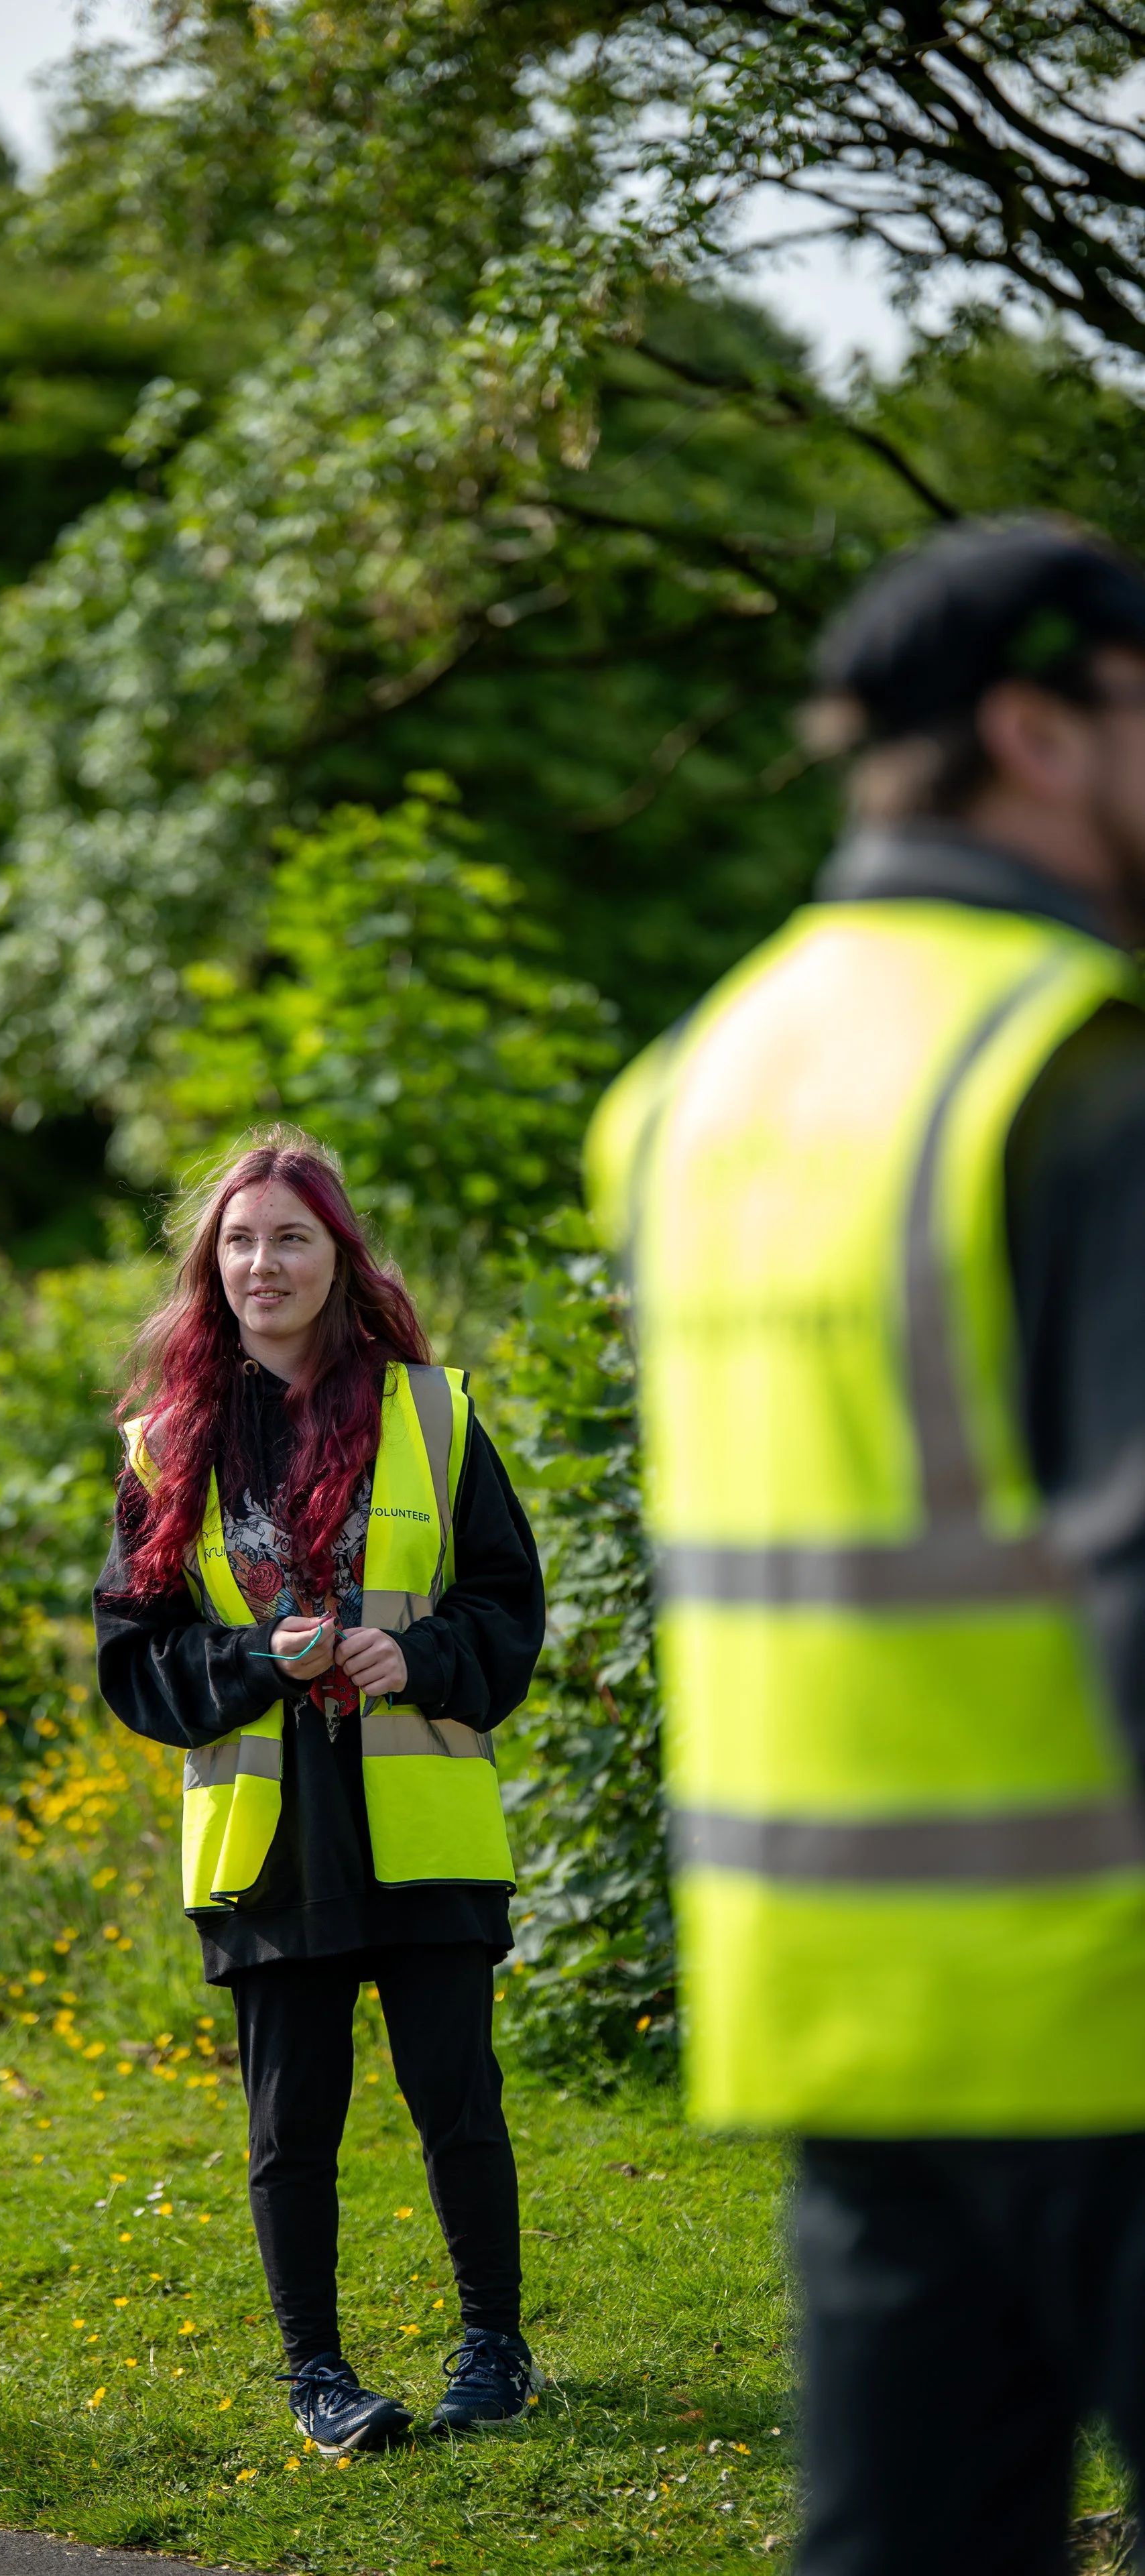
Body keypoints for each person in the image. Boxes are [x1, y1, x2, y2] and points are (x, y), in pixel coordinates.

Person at [587, 516, 1145, 2575]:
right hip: (1110, 2019)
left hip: (845, 2040)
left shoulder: (692, 1087)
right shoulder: (1066, 1065)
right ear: (1037, 729)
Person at [94, 1130, 546, 2455]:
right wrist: (251, 1660)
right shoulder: (162, 1445)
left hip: (424, 1822)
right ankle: (319, 2377)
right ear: (209, 1266)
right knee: (289, 2121)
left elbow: (508, 1614)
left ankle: (494, 2351)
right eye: (237, 1240)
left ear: (339, 1258)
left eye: (288, 1236)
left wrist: (414, 1652)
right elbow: (134, 1664)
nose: (260, 1262)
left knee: (454, 2096)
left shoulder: (436, 1414)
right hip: (266, 1840)